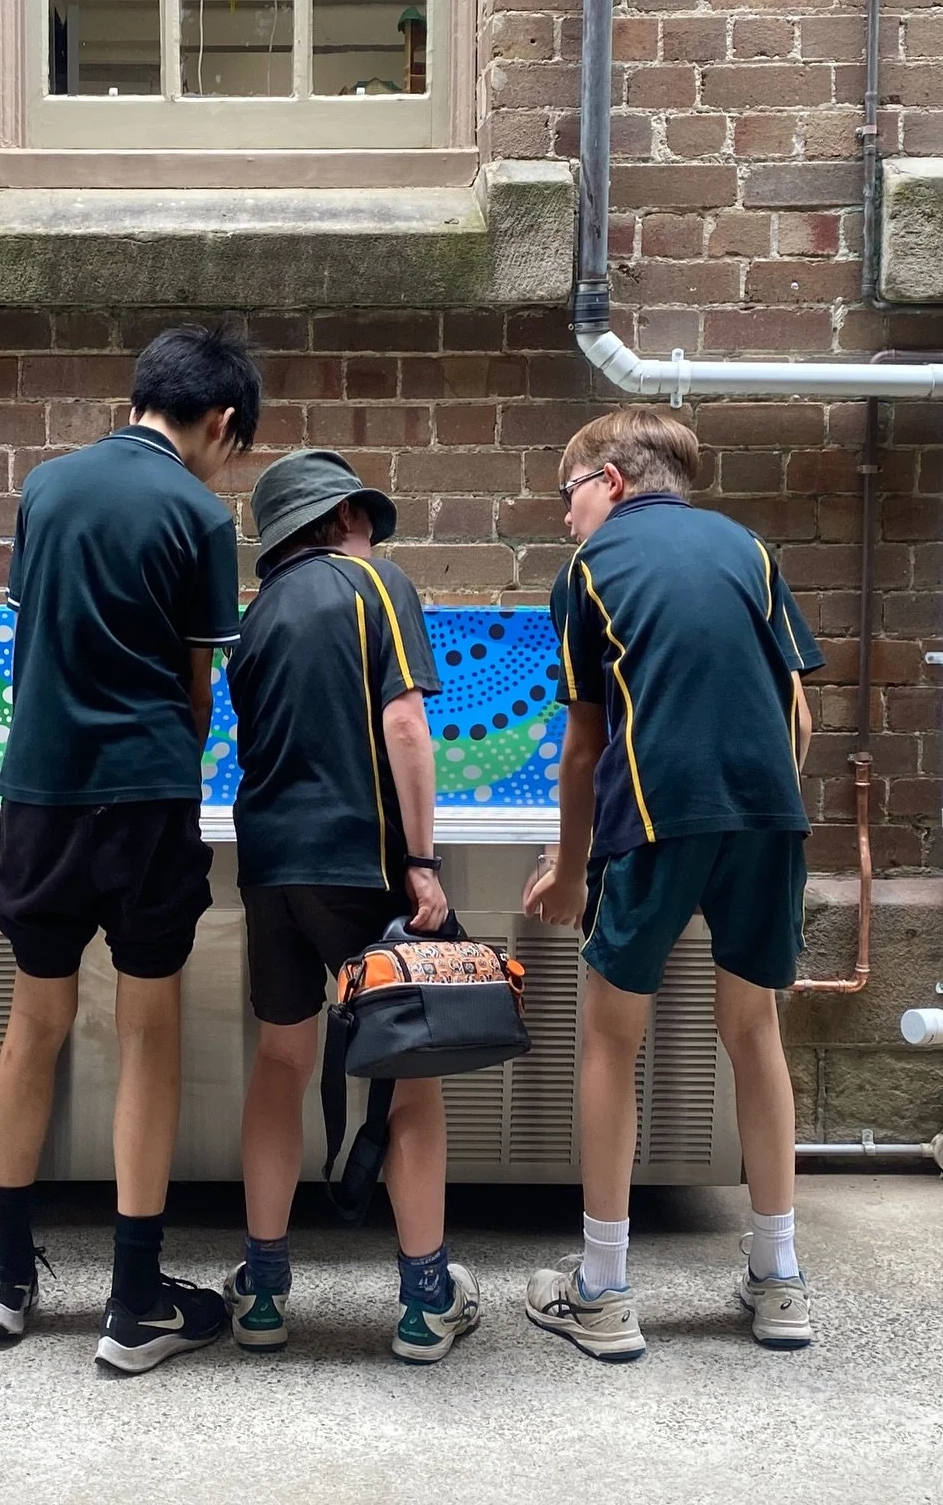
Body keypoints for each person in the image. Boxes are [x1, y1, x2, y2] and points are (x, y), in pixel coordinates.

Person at [0, 325, 262, 1375]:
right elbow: (197, 692)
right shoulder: (199, 513)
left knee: (35, 1021)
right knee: (149, 1030)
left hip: (39, 793)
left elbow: (29, 652)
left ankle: (3, 1277)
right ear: (221, 423)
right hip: (142, 796)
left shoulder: (46, 489)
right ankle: (133, 1300)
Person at [522, 407, 822, 1360]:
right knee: (755, 1030)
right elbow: (798, 712)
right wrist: (760, 803)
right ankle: (778, 1281)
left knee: (612, 1041)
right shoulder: (748, 547)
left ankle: (603, 1295)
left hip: (655, 818)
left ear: (609, 481)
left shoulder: (588, 572)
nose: (563, 517)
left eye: (567, 493)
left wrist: (569, 871)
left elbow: (581, 748)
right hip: (768, 811)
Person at [223, 449, 483, 1364]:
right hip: (361, 866)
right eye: (367, 518)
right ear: (339, 523)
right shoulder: (374, 586)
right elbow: (405, 724)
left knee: (282, 1060)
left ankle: (262, 1293)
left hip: (270, 869)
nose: (375, 535)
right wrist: (422, 863)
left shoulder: (251, 625)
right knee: (410, 1071)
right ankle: (424, 1302)